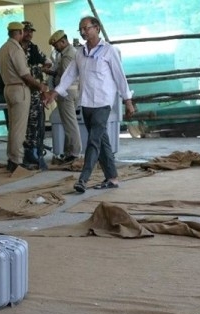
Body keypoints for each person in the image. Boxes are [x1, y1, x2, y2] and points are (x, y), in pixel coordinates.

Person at [43, 16, 135, 193]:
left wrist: (128, 101)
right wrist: (54, 93)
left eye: (87, 28)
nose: (84, 32)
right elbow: (68, 76)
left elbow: (119, 77)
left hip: (103, 103)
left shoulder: (109, 51)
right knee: (102, 141)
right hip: (86, 103)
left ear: (97, 28)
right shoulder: (80, 53)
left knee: (93, 141)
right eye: (81, 29)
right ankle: (112, 178)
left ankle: (83, 179)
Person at [0, 22, 49, 172]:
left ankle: (11, 158)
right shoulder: (16, 49)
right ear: (19, 32)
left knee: (13, 126)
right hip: (19, 89)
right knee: (20, 129)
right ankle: (17, 160)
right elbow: (25, 74)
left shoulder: (2, 49)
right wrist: (40, 86)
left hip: (8, 88)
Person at [20, 21, 51, 170]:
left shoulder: (34, 48)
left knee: (36, 122)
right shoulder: (16, 48)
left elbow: (48, 63)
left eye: (31, 31)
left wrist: (38, 70)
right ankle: (22, 153)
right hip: (21, 90)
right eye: (26, 31)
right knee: (21, 123)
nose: (29, 34)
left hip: (35, 91)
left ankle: (33, 151)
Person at [47, 29, 81, 164]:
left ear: (63, 41)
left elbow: (66, 76)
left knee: (70, 124)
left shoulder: (68, 55)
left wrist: (51, 73)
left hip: (66, 93)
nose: (56, 48)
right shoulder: (68, 53)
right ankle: (69, 152)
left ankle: (74, 153)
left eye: (57, 45)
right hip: (68, 92)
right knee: (68, 124)